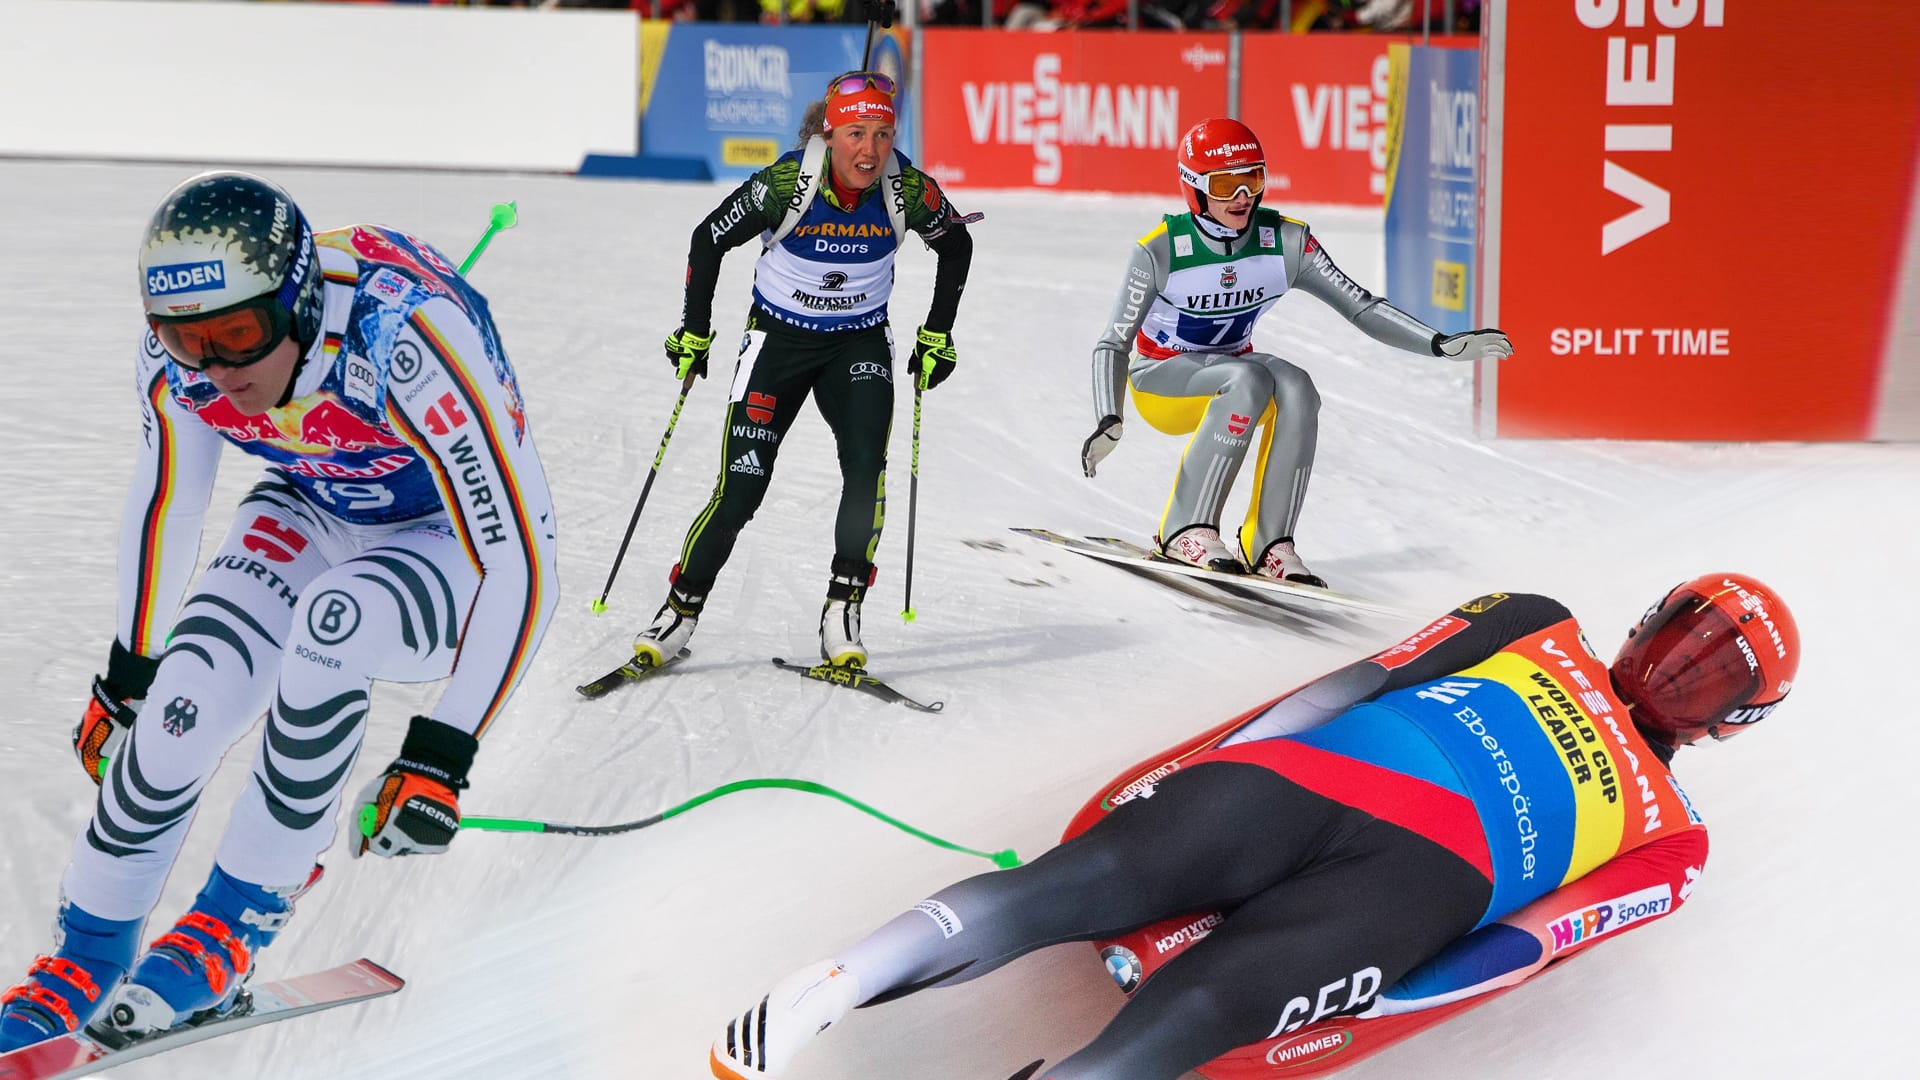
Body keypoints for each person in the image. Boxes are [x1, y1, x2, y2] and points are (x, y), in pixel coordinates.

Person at [706, 573, 1800, 1080]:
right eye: (1689, 642)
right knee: (1192, 999)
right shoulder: (1647, 794)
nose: (1679, 671)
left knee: (1094, 892)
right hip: (1389, 869)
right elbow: (1520, 947)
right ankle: (852, 992)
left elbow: (1355, 689)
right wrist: (1389, 988)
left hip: (1331, 806)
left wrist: (1214, 769)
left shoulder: (1654, 808)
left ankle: (838, 982)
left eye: (1708, 673)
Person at [0, 172, 559, 1049]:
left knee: (335, 625)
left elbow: (523, 559)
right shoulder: (177, 367)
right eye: (187, 340)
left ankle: (241, 912)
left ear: (297, 302)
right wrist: (128, 676)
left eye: (238, 335)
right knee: (187, 689)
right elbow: (168, 503)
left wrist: (442, 755)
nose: (218, 368)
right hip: (311, 503)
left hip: (444, 538)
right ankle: (88, 953)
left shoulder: (407, 339)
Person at [631, 70, 975, 672]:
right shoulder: (788, 183)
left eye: (882, 134)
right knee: (741, 489)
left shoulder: (909, 189)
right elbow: (707, 239)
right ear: (828, 133)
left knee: (866, 470)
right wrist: (694, 328)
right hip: (777, 343)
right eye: (854, 134)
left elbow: (956, 245)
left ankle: (843, 607)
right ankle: (681, 609)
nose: (869, 151)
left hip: (857, 345)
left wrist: (938, 332)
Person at [1079, 117, 1512, 589]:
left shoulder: (1286, 241)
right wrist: (1109, 418)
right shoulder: (1161, 250)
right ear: (1195, 190)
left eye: (1254, 179)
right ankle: (1185, 529)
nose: (1242, 196)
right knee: (1246, 381)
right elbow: (1112, 343)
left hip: (1232, 374)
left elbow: (1360, 305)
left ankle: (1271, 545)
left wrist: (1437, 344)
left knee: (1296, 385)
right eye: (1227, 184)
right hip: (1161, 382)